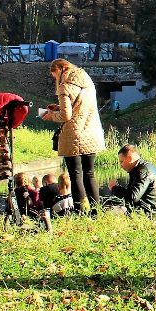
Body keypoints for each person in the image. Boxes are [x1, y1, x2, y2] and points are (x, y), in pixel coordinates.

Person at [41, 59, 106, 217]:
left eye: (55, 75)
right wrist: (58, 108)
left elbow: (66, 115)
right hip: (91, 132)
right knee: (89, 173)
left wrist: (51, 115)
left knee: (75, 173)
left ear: (61, 70)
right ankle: (96, 211)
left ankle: (79, 210)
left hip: (74, 136)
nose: (55, 79)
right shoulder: (87, 81)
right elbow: (80, 107)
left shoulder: (65, 87)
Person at [118, 144, 156, 214]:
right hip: (149, 211)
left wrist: (115, 188)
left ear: (129, 158)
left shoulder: (143, 171)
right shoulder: (139, 169)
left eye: (121, 162)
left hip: (155, 214)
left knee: (111, 212)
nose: (121, 166)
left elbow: (133, 197)